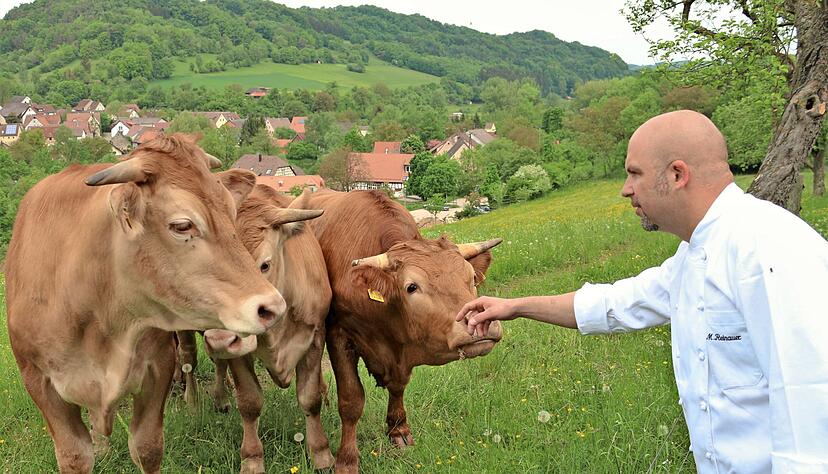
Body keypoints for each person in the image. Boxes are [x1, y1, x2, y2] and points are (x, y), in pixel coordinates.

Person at [457, 110, 828, 473]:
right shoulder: (695, 251)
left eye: (635, 173)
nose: (625, 189)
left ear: (677, 174)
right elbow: (617, 303)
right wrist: (515, 306)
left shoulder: (769, 250)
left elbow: (807, 399)